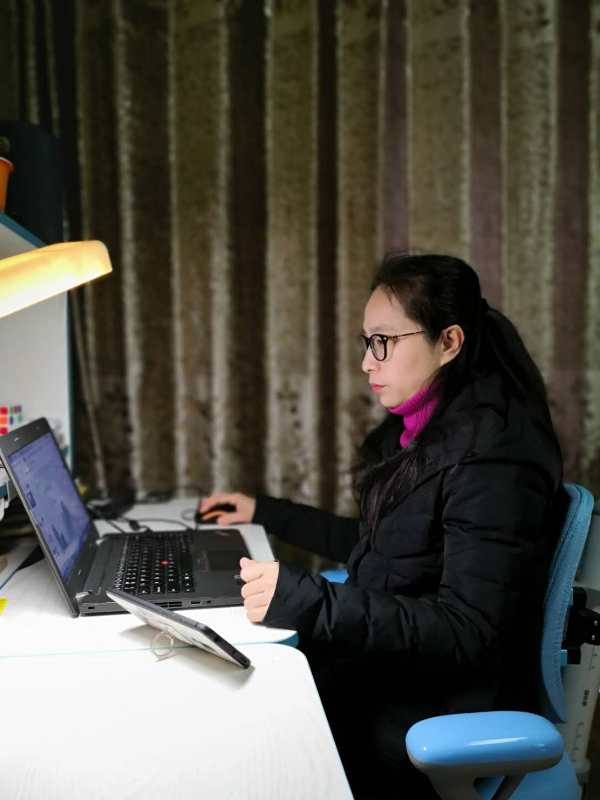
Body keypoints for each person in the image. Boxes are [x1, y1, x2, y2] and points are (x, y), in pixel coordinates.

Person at [200, 252, 564, 798]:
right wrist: (266, 513)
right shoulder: (432, 433)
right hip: (398, 672)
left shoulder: (494, 460)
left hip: (439, 705)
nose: (368, 363)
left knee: (251, 732)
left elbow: (468, 629)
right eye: (367, 342)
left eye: (384, 342)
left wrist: (313, 601)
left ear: (449, 342)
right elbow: (389, 551)